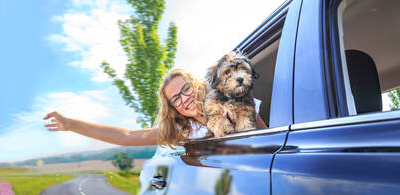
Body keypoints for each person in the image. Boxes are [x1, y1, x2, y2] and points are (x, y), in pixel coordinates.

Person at [43, 69, 268, 149]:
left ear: (196, 85)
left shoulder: (232, 99)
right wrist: (71, 124)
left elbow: (268, 140)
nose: (184, 100)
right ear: (173, 108)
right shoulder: (185, 131)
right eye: (176, 99)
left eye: (186, 90)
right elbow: (127, 136)